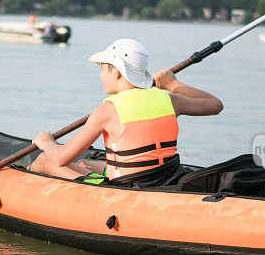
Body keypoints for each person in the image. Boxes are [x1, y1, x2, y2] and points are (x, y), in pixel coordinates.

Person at [30, 39, 223, 187]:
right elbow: (215, 105)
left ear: (117, 71)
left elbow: (61, 158)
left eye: (103, 69)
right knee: (85, 164)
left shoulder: (107, 110)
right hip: (165, 177)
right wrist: (172, 84)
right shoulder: (169, 100)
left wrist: (47, 143)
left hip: (125, 187)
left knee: (44, 160)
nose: (100, 75)